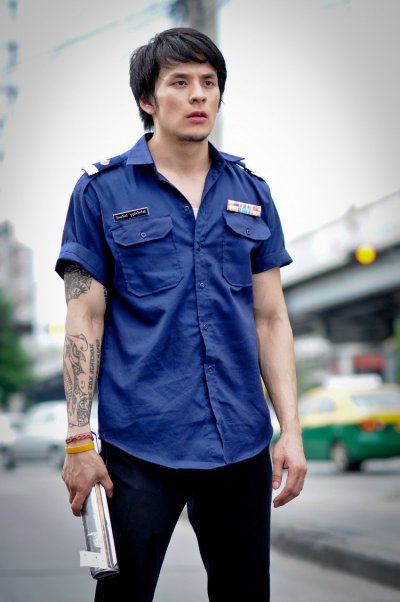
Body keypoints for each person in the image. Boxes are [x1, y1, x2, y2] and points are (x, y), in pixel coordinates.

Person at [56, 27, 307, 602]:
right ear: (148, 99)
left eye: (209, 83)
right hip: (140, 445)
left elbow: (270, 319)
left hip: (240, 443)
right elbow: (84, 317)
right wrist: (77, 440)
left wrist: (290, 432)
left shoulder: (252, 193)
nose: (198, 95)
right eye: (180, 82)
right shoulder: (100, 192)